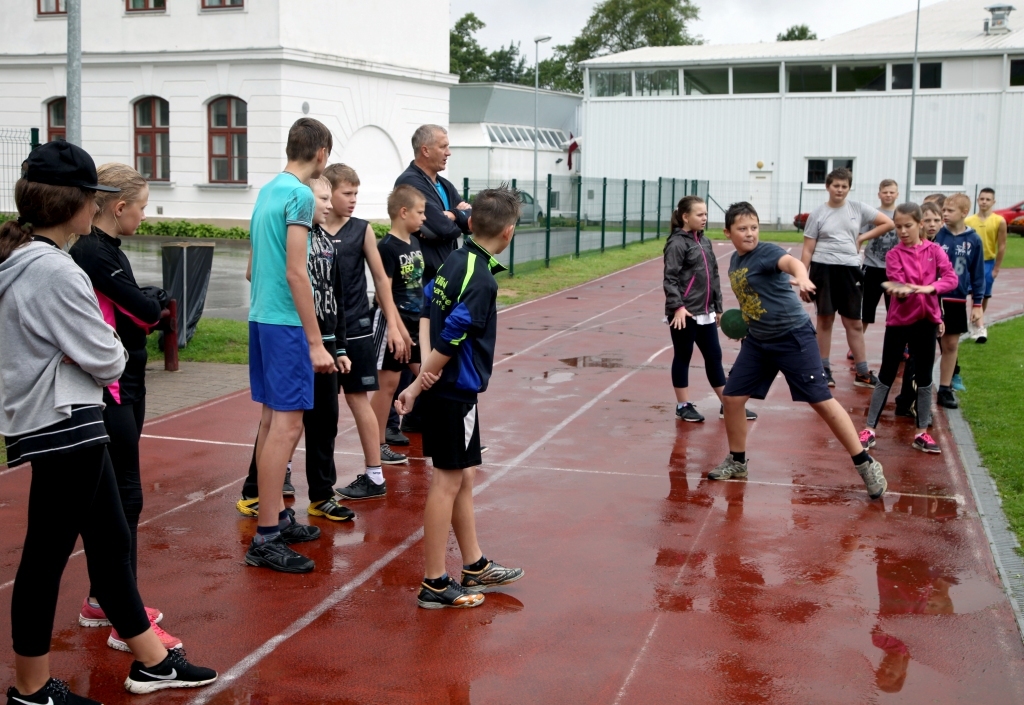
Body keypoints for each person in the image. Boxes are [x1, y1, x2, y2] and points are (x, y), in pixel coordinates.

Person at [0, 140, 216, 703]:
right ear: (74, 204)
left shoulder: (23, 260)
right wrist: (89, 354)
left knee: (110, 534)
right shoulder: (56, 270)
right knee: (47, 556)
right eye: (91, 198)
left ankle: (150, 659)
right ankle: (30, 689)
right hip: (64, 421)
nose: (95, 208)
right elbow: (109, 357)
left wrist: (81, 353)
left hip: (60, 419)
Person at [68, 163, 181, 652]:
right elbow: (147, 310)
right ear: (119, 207)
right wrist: (153, 304)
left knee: (116, 500)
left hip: (126, 385)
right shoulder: (93, 251)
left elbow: (141, 305)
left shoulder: (105, 249)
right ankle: (123, 616)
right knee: (123, 500)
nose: (146, 213)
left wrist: (149, 302)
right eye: (142, 205)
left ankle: (102, 599)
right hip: (111, 390)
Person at [396, 187, 525, 609]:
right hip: (454, 390)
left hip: (444, 383)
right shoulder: (482, 279)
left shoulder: (456, 257)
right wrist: (418, 383)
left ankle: (474, 564)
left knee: (464, 474)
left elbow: (424, 310)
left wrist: (423, 370)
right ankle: (434, 580)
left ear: (470, 224)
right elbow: (451, 335)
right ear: (508, 233)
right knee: (448, 480)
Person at [709, 201, 887, 501]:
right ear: (728, 232)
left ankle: (865, 463)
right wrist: (744, 323)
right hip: (758, 341)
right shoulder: (735, 263)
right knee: (732, 398)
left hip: (793, 337)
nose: (749, 233)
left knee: (821, 401)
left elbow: (791, 264)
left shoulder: (765, 252)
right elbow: (753, 297)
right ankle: (738, 462)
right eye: (742, 229)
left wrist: (803, 278)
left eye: (753, 227)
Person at [245, 118, 336, 573]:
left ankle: (275, 519)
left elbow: (252, 267)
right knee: (287, 427)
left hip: (261, 318)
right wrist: (316, 342)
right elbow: (297, 272)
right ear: (322, 154)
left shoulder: (267, 191)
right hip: (285, 325)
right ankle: (265, 537)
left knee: (269, 424)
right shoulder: (300, 194)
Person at [237, 176, 355, 523]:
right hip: (293, 333)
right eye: (323, 198)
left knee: (324, 422)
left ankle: (320, 495)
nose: (329, 205)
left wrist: (340, 344)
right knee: (280, 421)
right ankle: (255, 494)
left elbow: (336, 297)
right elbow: (263, 273)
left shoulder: (328, 242)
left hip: (325, 341)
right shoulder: (289, 227)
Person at [319, 164, 411, 501]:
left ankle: (374, 475)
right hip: (320, 332)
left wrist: (394, 326)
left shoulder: (362, 230)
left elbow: (382, 280)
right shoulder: (311, 230)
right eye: (348, 193)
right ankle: (290, 472)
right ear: (329, 192)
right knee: (312, 406)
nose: (353, 199)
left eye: (356, 193)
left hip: (355, 330)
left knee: (359, 400)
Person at [859, 203, 956, 454]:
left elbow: (950, 278)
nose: (902, 231)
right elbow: (898, 284)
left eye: (908, 226)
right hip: (900, 322)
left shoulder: (934, 251)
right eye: (898, 226)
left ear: (920, 224)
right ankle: (869, 429)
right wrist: (901, 291)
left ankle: (922, 433)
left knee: (924, 378)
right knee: (887, 374)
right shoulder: (894, 254)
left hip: (927, 323)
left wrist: (931, 288)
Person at [662, 195, 755, 423]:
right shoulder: (676, 243)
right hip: (684, 314)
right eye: (699, 214)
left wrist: (718, 308)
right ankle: (683, 405)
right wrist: (678, 307)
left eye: (705, 214)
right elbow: (670, 278)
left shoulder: (704, 241)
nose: (704, 218)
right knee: (683, 356)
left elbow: (713, 276)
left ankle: (727, 404)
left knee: (714, 356)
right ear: (686, 217)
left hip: (706, 312)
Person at [800, 167, 894, 389]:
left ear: (849, 188)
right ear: (828, 187)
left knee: (853, 321)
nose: (840, 190)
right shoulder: (818, 214)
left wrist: (862, 237)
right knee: (825, 319)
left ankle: (862, 372)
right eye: (836, 186)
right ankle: (823, 370)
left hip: (850, 270)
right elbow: (807, 250)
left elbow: (888, 223)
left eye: (844, 186)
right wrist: (803, 278)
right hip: (823, 269)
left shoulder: (858, 208)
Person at [361, 186, 426, 474]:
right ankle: (377, 445)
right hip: (392, 326)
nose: (425, 218)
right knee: (386, 387)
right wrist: (398, 331)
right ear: (403, 212)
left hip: (414, 325)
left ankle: (456, 433)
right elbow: (382, 292)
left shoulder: (414, 242)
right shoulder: (387, 248)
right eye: (420, 212)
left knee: (428, 375)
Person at [394, 124, 471, 286]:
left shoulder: (445, 185)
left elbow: (472, 223)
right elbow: (443, 227)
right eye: (443, 147)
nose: (448, 153)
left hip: (447, 278)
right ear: (425, 150)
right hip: (422, 282)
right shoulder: (409, 182)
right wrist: (457, 218)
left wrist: (451, 216)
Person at [892, 201, 945, 416]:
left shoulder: (935, 249)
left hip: (929, 313)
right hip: (909, 314)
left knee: (923, 359)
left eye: (936, 220)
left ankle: (909, 402)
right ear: (922, 222)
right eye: (928, 220)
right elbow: (901, 282)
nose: (932, 225)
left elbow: (939, 285)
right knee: (914, 359)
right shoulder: (904, 251)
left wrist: (939, 316)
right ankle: (908, 402)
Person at [933, 193, 985, 410]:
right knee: (926, 342)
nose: (945, 214)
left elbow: (977, 274)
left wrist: (977, 304)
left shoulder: (973, 240)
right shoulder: (937, 235)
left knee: (951, 344)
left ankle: (945, 388)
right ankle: (919, 386)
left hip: (956, 298)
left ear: (964, 213)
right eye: (943, 210)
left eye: (950, 211)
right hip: (933, 296)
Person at [964, 187, 1007, 343]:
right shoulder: (968, 221)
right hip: (969, 262)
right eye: (982, 199)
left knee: (984, 295)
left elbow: (1002, 245)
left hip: (987, 262)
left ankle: (976, 321)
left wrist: (996, 268)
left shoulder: (999, 221)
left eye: (988, 199)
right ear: (978, 200)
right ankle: (978, 325)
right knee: (971, 293)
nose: (984, 202)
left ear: (993, 202)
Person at [860, 179, 899, 339]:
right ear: (879, 194)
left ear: (897, 194)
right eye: (885, 192)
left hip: (895, 270)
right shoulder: (872, 214)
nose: (888, 195)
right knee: (865, 310)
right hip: (872, 267)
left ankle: (900, 345)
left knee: (896, 312)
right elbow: (860, 237)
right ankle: (856, 345)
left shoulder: (902, 214)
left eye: (891, 192)